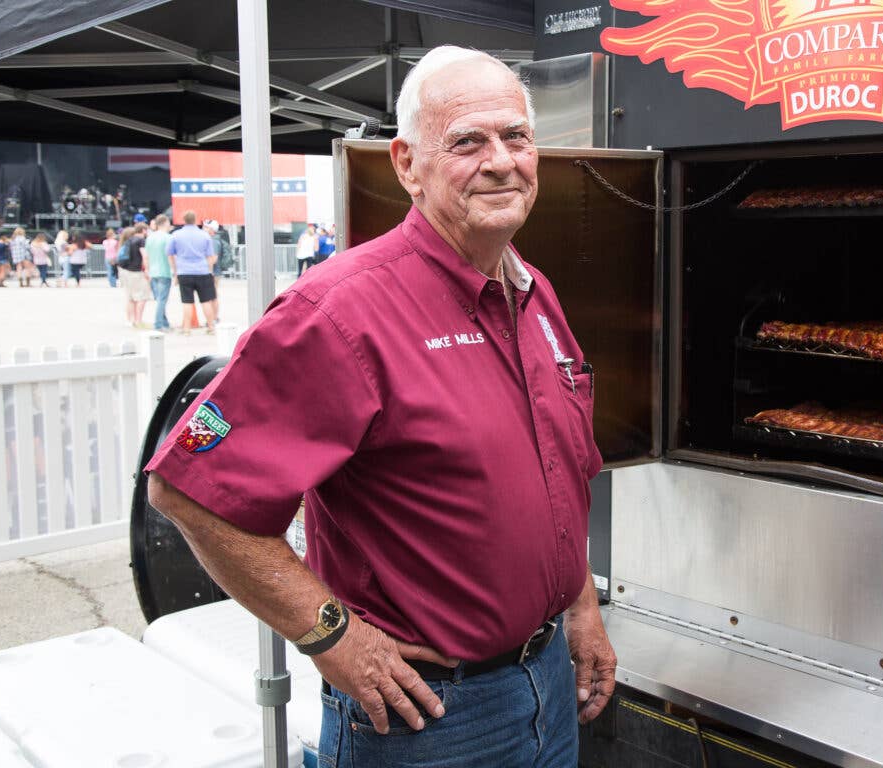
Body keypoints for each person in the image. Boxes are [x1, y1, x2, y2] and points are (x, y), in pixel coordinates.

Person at [146, 45, 613, 768]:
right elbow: (189, 487)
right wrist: (334, 637)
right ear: (406, 165)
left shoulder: (534, 293)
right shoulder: (337, 313)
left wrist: (579, 609)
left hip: (548, 689)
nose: (501, 160)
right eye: (467, 141)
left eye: (516, 136)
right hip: (426, 720)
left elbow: (556, 474)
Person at [167, 210, 216, 335]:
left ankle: (187, 329)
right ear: (195, 220)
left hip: (184, 272)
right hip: (202, 271)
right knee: (206, 301)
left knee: (187, 302)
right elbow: (210, 256)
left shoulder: (176, 235)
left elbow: (170, 254)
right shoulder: (204, 235)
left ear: (184, 220)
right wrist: (209, 270)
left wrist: (175, 271)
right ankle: (211, 327)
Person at [121, 223, 151, 327]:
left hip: (126, 271)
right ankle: (138, 321)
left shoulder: (129, 240)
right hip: (137, 271)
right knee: (142, 297)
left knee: (130, 298)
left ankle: (130, 320)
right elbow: (145, 256)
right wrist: (147, 269)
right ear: (143, 230)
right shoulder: (141, 241)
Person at [147, 215, 173, 332]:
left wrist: (147, 270)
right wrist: (174, 270)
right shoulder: (168, 238)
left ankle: (164, 322)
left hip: (153, 272)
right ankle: (158, 324)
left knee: (159, 299)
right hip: (164, 271)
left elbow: (146, 256)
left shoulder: (150, 237)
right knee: (162, 300)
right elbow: (170, 256)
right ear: (165, 223)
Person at [203, 219, 223, 324]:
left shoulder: (214, 241)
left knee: (212, 296)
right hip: (213, 272)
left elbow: (213, 259)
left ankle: (214, 318)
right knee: (212, 296)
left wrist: (207, 270)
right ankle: (212, 318)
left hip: (213, 272)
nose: (203, 228)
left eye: (206, 227)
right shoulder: (211, 240)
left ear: (212, 229)